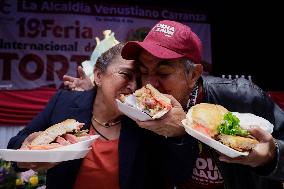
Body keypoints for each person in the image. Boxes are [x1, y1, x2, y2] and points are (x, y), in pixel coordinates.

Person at [65, 20, 284, 189]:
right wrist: (95, 88)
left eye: (163, 72)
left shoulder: (244, 96)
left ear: (194, 74)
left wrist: (271, 158)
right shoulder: (141, 111)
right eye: (143, 72)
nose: (150, 84)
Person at [8, 42, 197, 189]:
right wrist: (26, 151)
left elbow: (178, 174)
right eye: (126, 74)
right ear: (98, 76)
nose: (134, 86)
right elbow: (16, 146)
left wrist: (178, 134)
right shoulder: (63, 103)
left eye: (139, 78)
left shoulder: (146, 120)